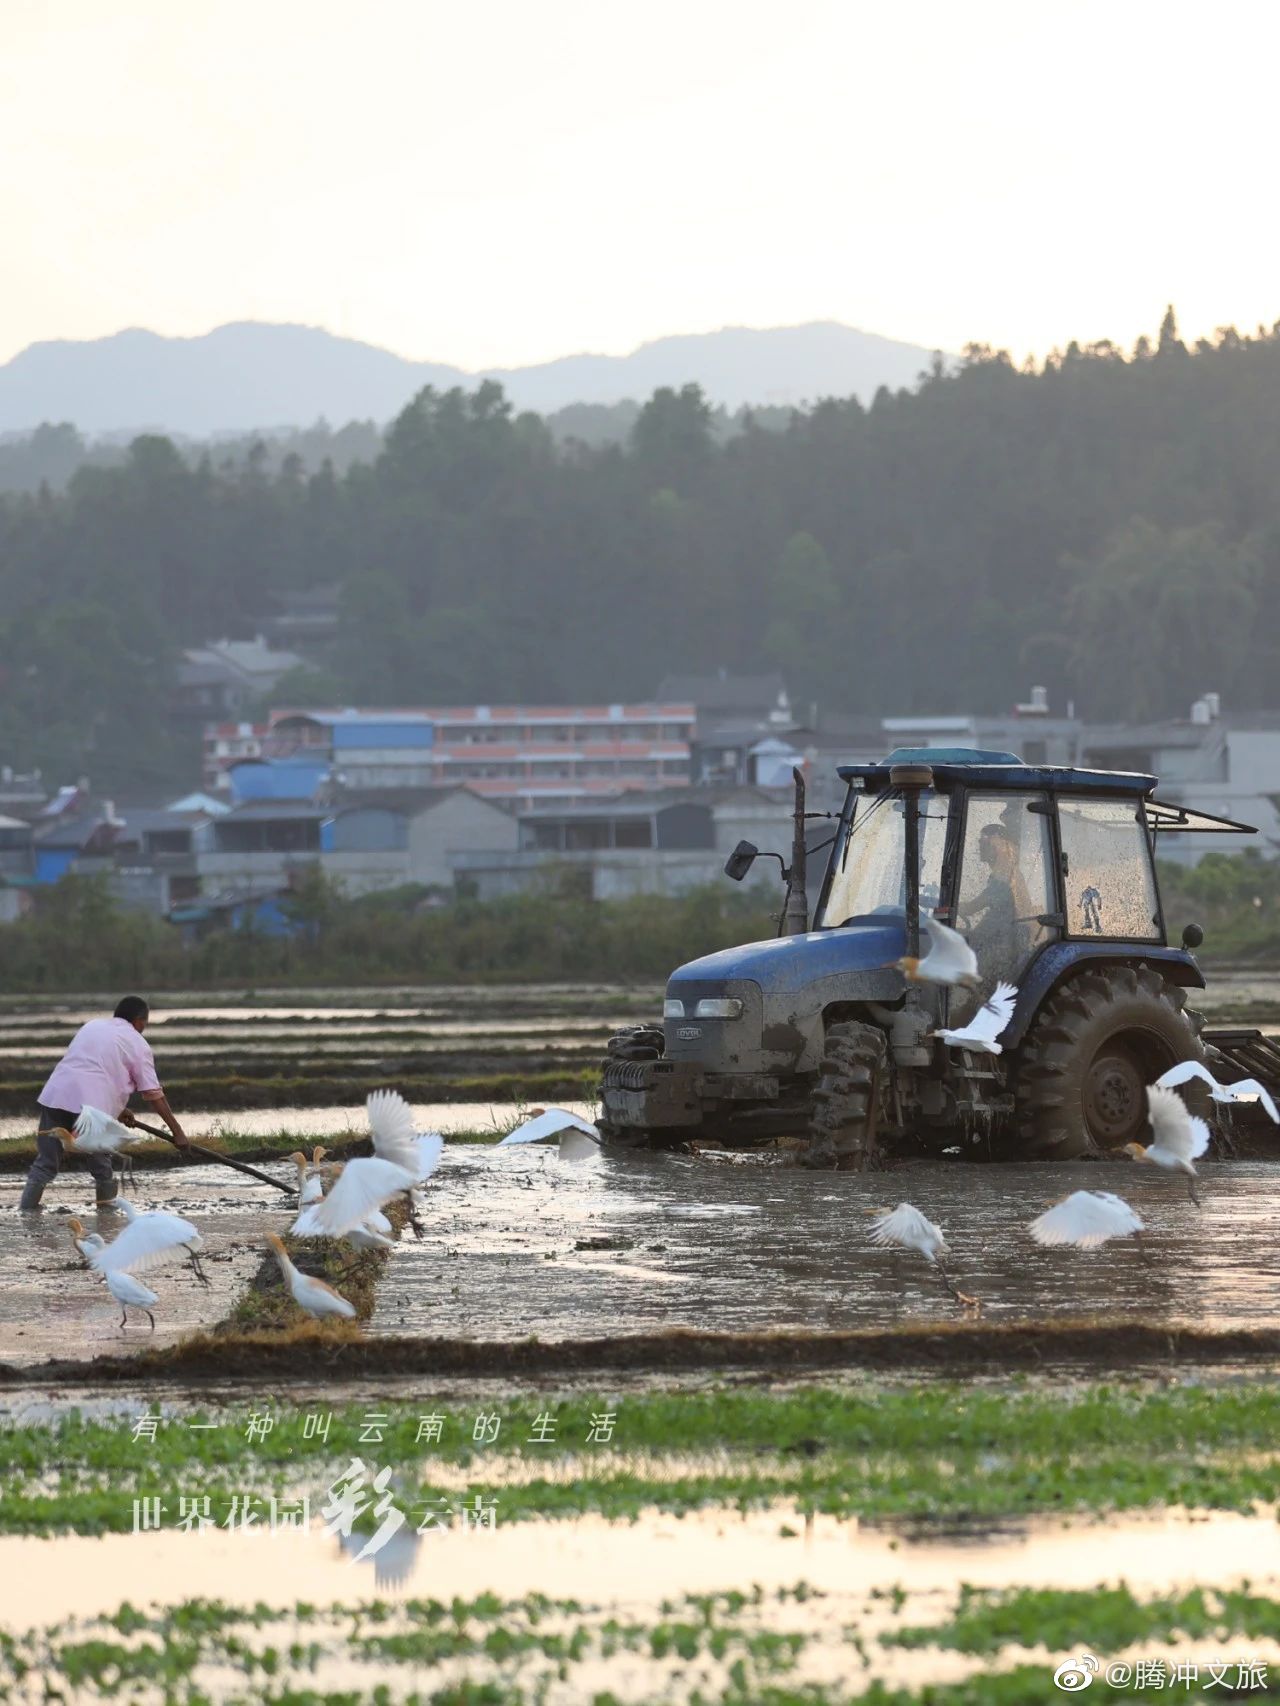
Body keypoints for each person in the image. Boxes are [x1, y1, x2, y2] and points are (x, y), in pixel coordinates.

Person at [18, 996, 189, 1211]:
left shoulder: (92, 1026)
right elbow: (155, 1095)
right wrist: (178, 1132)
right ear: (139, 1021)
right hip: (92, 1110)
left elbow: (92, 1070)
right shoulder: (138, 1044)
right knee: (101, 1165)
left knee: (45, 1163)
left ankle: (26, 1212)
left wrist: (118, 1109)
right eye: (145, 1023)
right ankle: (107, 1216)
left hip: (57, 1095)